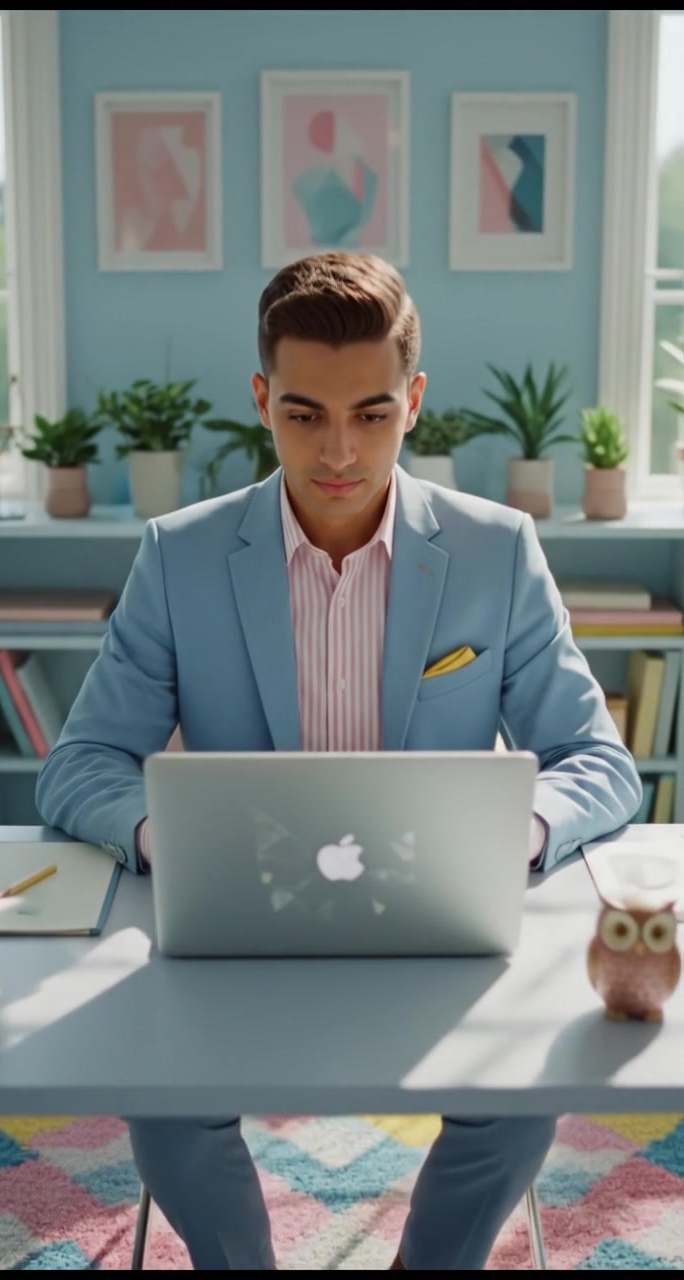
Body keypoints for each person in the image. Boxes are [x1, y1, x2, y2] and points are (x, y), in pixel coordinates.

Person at [36, 251, 641, 1270]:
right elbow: (81, 763)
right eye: (305, 412)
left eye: (370, 412)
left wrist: (519, 831)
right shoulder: (179, 557)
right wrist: (162, 836)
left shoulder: (497, 552)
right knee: (164, 1106)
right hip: (233, 929)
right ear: (263, 400)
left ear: (413, 401)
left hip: (439, 929)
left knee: (523, 1099)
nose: (339, 448)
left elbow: (597, 759)